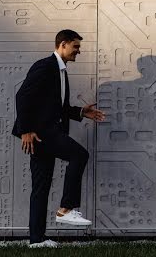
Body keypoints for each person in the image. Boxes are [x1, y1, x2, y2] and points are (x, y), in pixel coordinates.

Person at [11, 29, 106, 248]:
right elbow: (22, 96)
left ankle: (36, 240)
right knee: (79, 155)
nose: (78, 51)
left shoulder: (61, 71)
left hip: (45, 133)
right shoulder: (45, 66)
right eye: (76, 47)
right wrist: (26, 130)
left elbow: (56, 107)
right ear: (63, 45)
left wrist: (81, 112)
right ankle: (67, 209)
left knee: (41, 187)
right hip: (42, 133)